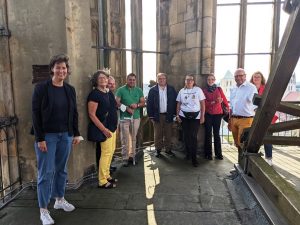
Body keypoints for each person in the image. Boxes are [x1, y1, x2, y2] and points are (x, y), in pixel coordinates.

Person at [32, 54, 81, 225]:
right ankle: (43, 210)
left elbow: (74, 113)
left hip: (65, 135)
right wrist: (40, 138)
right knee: (45, 173)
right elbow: (35, 114)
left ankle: (59, 199)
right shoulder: (41, 88)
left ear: (67, 71)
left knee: (62, 170)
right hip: (47, 137)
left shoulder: (70, 89)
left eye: (64, 68)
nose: (61, 70)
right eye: (58, 67)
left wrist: (75, 133)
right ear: (52, 69)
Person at [115, 73, 145, 166]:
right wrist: (126, 108)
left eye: (133, 80)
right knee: (125, 138)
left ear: (135, 81)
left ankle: (132, 156)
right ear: (126, 80)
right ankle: (125, 158)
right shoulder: (120, 90)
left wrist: (137, 105)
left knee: (133, 138)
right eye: (130, 79)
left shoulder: (139, 90)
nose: (132, 81)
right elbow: (117, 103)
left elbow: (143, 102)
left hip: (136, 118)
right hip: (124, 118)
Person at [176, 74, 206, 167]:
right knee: (185, 136)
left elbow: (202, 104)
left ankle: (194, 158)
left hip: (195, 116)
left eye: (191, 80)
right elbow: (178, 103)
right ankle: (188, 154)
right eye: (187, 80)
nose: (189, 81)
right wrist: (177, 115)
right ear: (185, 81)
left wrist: (202, 116)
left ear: (193, 81)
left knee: (193, 137)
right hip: (183, 116)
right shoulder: (182, 91)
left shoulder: (198, 90)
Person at [229, 68, 258, 161]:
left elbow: (255, 104)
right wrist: (230, 120)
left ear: (245, 76)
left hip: (246, 119)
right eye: (236, 76)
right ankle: (240, 164)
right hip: (234, 119)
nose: (238, 78)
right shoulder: (233, 88)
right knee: (237, 144)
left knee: (244, 144)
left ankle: (244, 166)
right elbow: (232, 105)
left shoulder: (251, 87)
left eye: (241, 75)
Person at [250, 71, 278, 166]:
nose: (256, 78)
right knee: (253, 137)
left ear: (262, 78)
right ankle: (253, 156)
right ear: (252, 79)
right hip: (252, 116)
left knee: (267, 137)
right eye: (255, 77)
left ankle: (269, 158)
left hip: (266, 116)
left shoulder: (266, 88)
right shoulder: (250, 88)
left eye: (258, 77)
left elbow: (271, 101)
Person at [147, 73, 177, 157]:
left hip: (169, 115)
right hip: (157, 115)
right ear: (157, 80)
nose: (161, 80)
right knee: (158, 134)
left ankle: (168, 150)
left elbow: (175, 102)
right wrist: (151, 116)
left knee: (168, 133)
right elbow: (149, 104)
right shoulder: (153, 90)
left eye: (163, 78)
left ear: (166, 79)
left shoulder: (171, 89)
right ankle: (158, 150)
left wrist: (175, 115)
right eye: (159, 78)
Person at [203, 73, 229, 160]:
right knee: (208, 134)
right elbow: (204, 103)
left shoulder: (219, 89)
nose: (210, 81)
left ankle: (218, 154)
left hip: (218, 114)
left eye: (212, 79)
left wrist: (226, 107)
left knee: (216, 134)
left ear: (214, 80)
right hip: (208, 114)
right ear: (207, 81)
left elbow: (224, 100)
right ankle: (208, 154)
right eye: (208, 79)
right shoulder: (204, 90)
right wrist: (213, 102)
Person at [95, 75, 117, 172]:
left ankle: (107, 174)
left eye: (113, 84)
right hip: (105, 128)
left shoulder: (109, 94)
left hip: (112, 127)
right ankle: (103, 179)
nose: (111, 85)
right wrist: (104, 129)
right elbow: (94, 114)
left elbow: (113, 110)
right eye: (109, 83)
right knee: (105, 153)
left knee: (110, 151)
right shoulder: (98, 94)